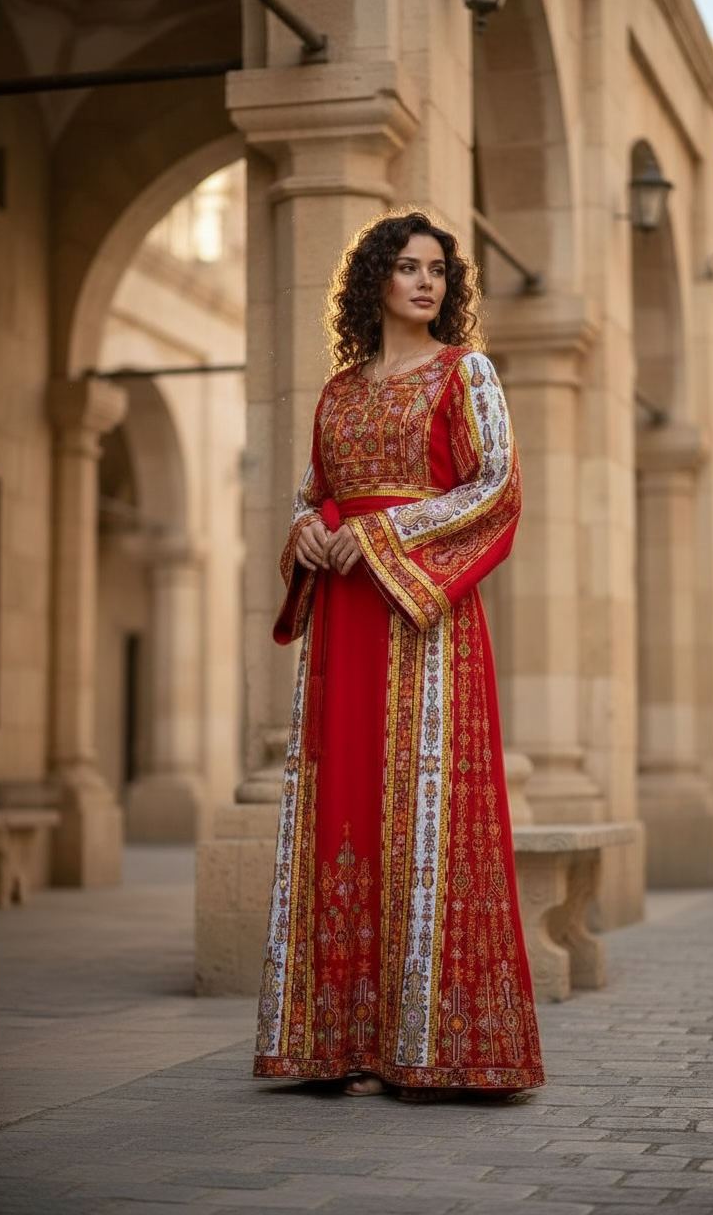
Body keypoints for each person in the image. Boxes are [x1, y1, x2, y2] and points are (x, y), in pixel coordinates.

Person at [253, 210, 545, 1101]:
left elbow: (495, 485)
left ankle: (431, 1044)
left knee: (424, 812)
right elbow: (314, 493)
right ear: (374, 279)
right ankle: (339, 1043)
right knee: (339, 805)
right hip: (344, 618)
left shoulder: (467, 373)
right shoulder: (338, 392)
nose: (427, 283)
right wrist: (308, 533)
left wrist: (383, 534)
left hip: (422, 619)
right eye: (409, 267)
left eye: (439, 271)